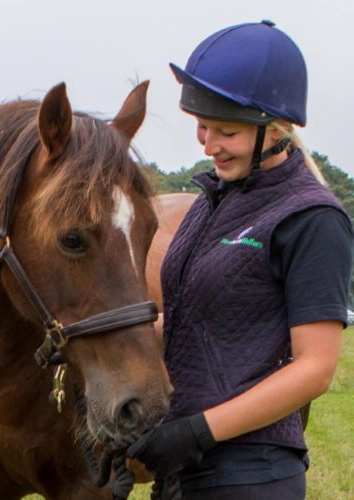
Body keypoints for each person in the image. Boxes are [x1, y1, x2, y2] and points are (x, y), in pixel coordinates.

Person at [128, 21, 351, 499]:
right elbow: (196, 321)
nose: (208, 144)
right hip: (184, 473)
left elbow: (315, 368)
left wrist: (196, 433)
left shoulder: (311, 219)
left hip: (251, 474)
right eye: (202, 127)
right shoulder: (214, 201)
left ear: (276, 128)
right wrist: (110, 343)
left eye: (226, 131)